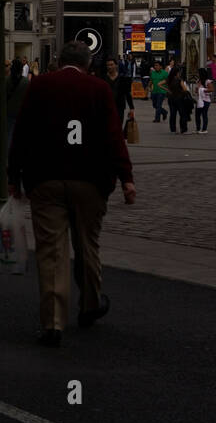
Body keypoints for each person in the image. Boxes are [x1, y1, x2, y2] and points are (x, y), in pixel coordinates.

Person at [7, 40, 135, 347]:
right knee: (87, 243)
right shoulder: (99, 89)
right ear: (88, 64)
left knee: (51, 250)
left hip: (46, 178)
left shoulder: (40, 86)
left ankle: (53, 322)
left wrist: (15, 176)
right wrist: (126, 178)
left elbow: (22, 132)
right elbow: (113, 137)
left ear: (59, 60)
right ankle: (90, 303)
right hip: (90, 180)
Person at [5, 58, 30, 150]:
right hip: (22, 111)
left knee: (8, 133)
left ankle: (8, 153)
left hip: (8, 110)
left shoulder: (6, 80)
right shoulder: (26, 82)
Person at [195, 67, 213, 133]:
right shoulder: (198, 80)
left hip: (206, 100)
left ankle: (204, 129)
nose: (197, 74)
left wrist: (203, 90)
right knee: (197, 115)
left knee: (204, 114)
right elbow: (197, 89)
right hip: (199, 100)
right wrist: (197, 90)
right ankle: (198, 128)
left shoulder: (207, 81)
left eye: (198, 73)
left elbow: (211, 89)